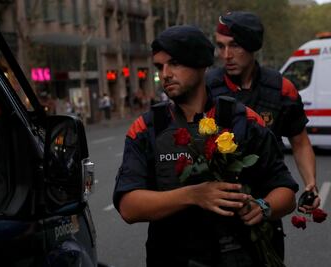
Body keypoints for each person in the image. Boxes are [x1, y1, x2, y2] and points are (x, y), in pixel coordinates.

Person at [113, 25, 298, 267]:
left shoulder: (245, 120)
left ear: (201, 64)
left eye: (175, 63)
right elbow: (128, 207)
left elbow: (285, 192)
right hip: (171, 258)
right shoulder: (146, 128)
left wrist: (263, 207)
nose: (165, 74)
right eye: (159, 67)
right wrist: (193, 195)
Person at [206, 11, 320, 214]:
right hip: (218, 206)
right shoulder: (206, 88)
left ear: (252, 46)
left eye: (234, 45)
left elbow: (300, 142)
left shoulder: (282, 89)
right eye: (221, 46)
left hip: (267, 205)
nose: (226, 55)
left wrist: (310, 183)